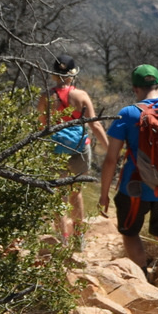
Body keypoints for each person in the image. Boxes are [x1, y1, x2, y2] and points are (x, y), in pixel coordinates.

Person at [98, 64, 158, 270]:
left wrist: (104, 194)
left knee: (130, 232)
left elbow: (111, 159)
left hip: (135, 187)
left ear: (135, 89)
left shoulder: (128, 114)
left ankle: (142, 277)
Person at [37, 55, 109, 241]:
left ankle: (62, 238)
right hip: (79, 148)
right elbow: (95, 124)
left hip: (55, 149)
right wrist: (109, 148)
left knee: (57, 195)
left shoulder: (46, 96)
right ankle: (79, 239)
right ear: (72, 75)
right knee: (76, 193)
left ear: (54, 75)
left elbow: (41, 126)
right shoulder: (81, 95)